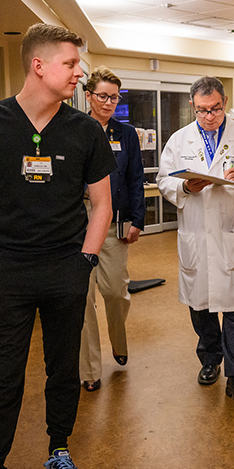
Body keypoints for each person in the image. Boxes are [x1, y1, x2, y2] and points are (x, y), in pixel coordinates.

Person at [0, 23, 116, 469]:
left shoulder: (85, 131)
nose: (80, 73)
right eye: (71, 63)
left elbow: (102, 204)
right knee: (4, 376)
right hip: (9, 272)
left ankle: (59, 450)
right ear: (38, 66)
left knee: (63, 369)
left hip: (66, 268)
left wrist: (85, 262)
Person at [157, 76, 234, 402]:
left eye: (216, 109)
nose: (209, 116)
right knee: (200, 306)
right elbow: (164, 180)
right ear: (192, 106)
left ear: (225, 103)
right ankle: (210, 360)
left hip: (233, 235)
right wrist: (184, 186)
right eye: (202, 110)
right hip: (196, 235)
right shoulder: (179, 140)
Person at [79, 67, 146, 392]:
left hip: (115, 222)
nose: (108, 102)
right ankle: (89, 369)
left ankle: (118, 340)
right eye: (103, 96)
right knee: (82, 298)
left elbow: (136, 177)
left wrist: (137, 219)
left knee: (115, 292)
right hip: (79, 223)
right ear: (88, 96)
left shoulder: (126, 134)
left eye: (114, 97)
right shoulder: (74, 128)